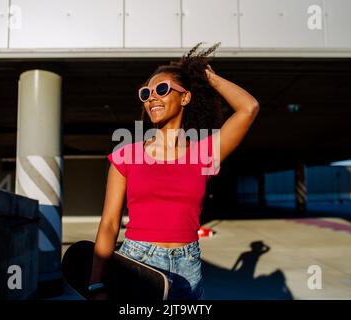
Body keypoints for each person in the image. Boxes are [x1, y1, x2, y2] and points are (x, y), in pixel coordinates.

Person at [88, 43, 260, 300]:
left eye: (161, 89)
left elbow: (249, 108)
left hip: (187, 266)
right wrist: (95, 285)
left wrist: (206, 76)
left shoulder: (204, 153)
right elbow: (110, 224)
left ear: (185, 97)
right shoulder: (126, 154)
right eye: (146, 93)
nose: (152, 97)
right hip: (137, 262)